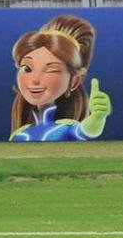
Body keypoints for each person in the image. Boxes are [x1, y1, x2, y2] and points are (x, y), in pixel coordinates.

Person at [9, 14, 112, 142]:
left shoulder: (64, 129)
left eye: (51, 70)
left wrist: (97, 118)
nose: (35, 79)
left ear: (74, 81)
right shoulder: (20, 134)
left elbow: (85, 131)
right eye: (27, 68)